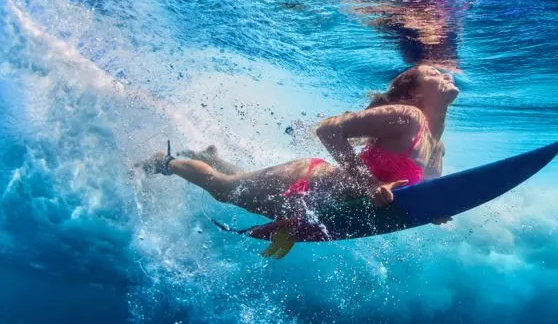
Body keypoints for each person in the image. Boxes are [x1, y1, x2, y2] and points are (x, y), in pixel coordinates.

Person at [143, 65, 458, 221]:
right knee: (224, 189)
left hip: (324, 206)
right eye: (433, 72)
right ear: (415, 93)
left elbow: (408, 195)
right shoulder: (408, 116)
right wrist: (367, 185)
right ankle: (165, 162)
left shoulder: (437, 150)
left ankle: (209, 155)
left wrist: (434, 214)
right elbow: (328, 130)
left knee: (236, 183)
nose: (446, 74)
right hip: (306, 184)